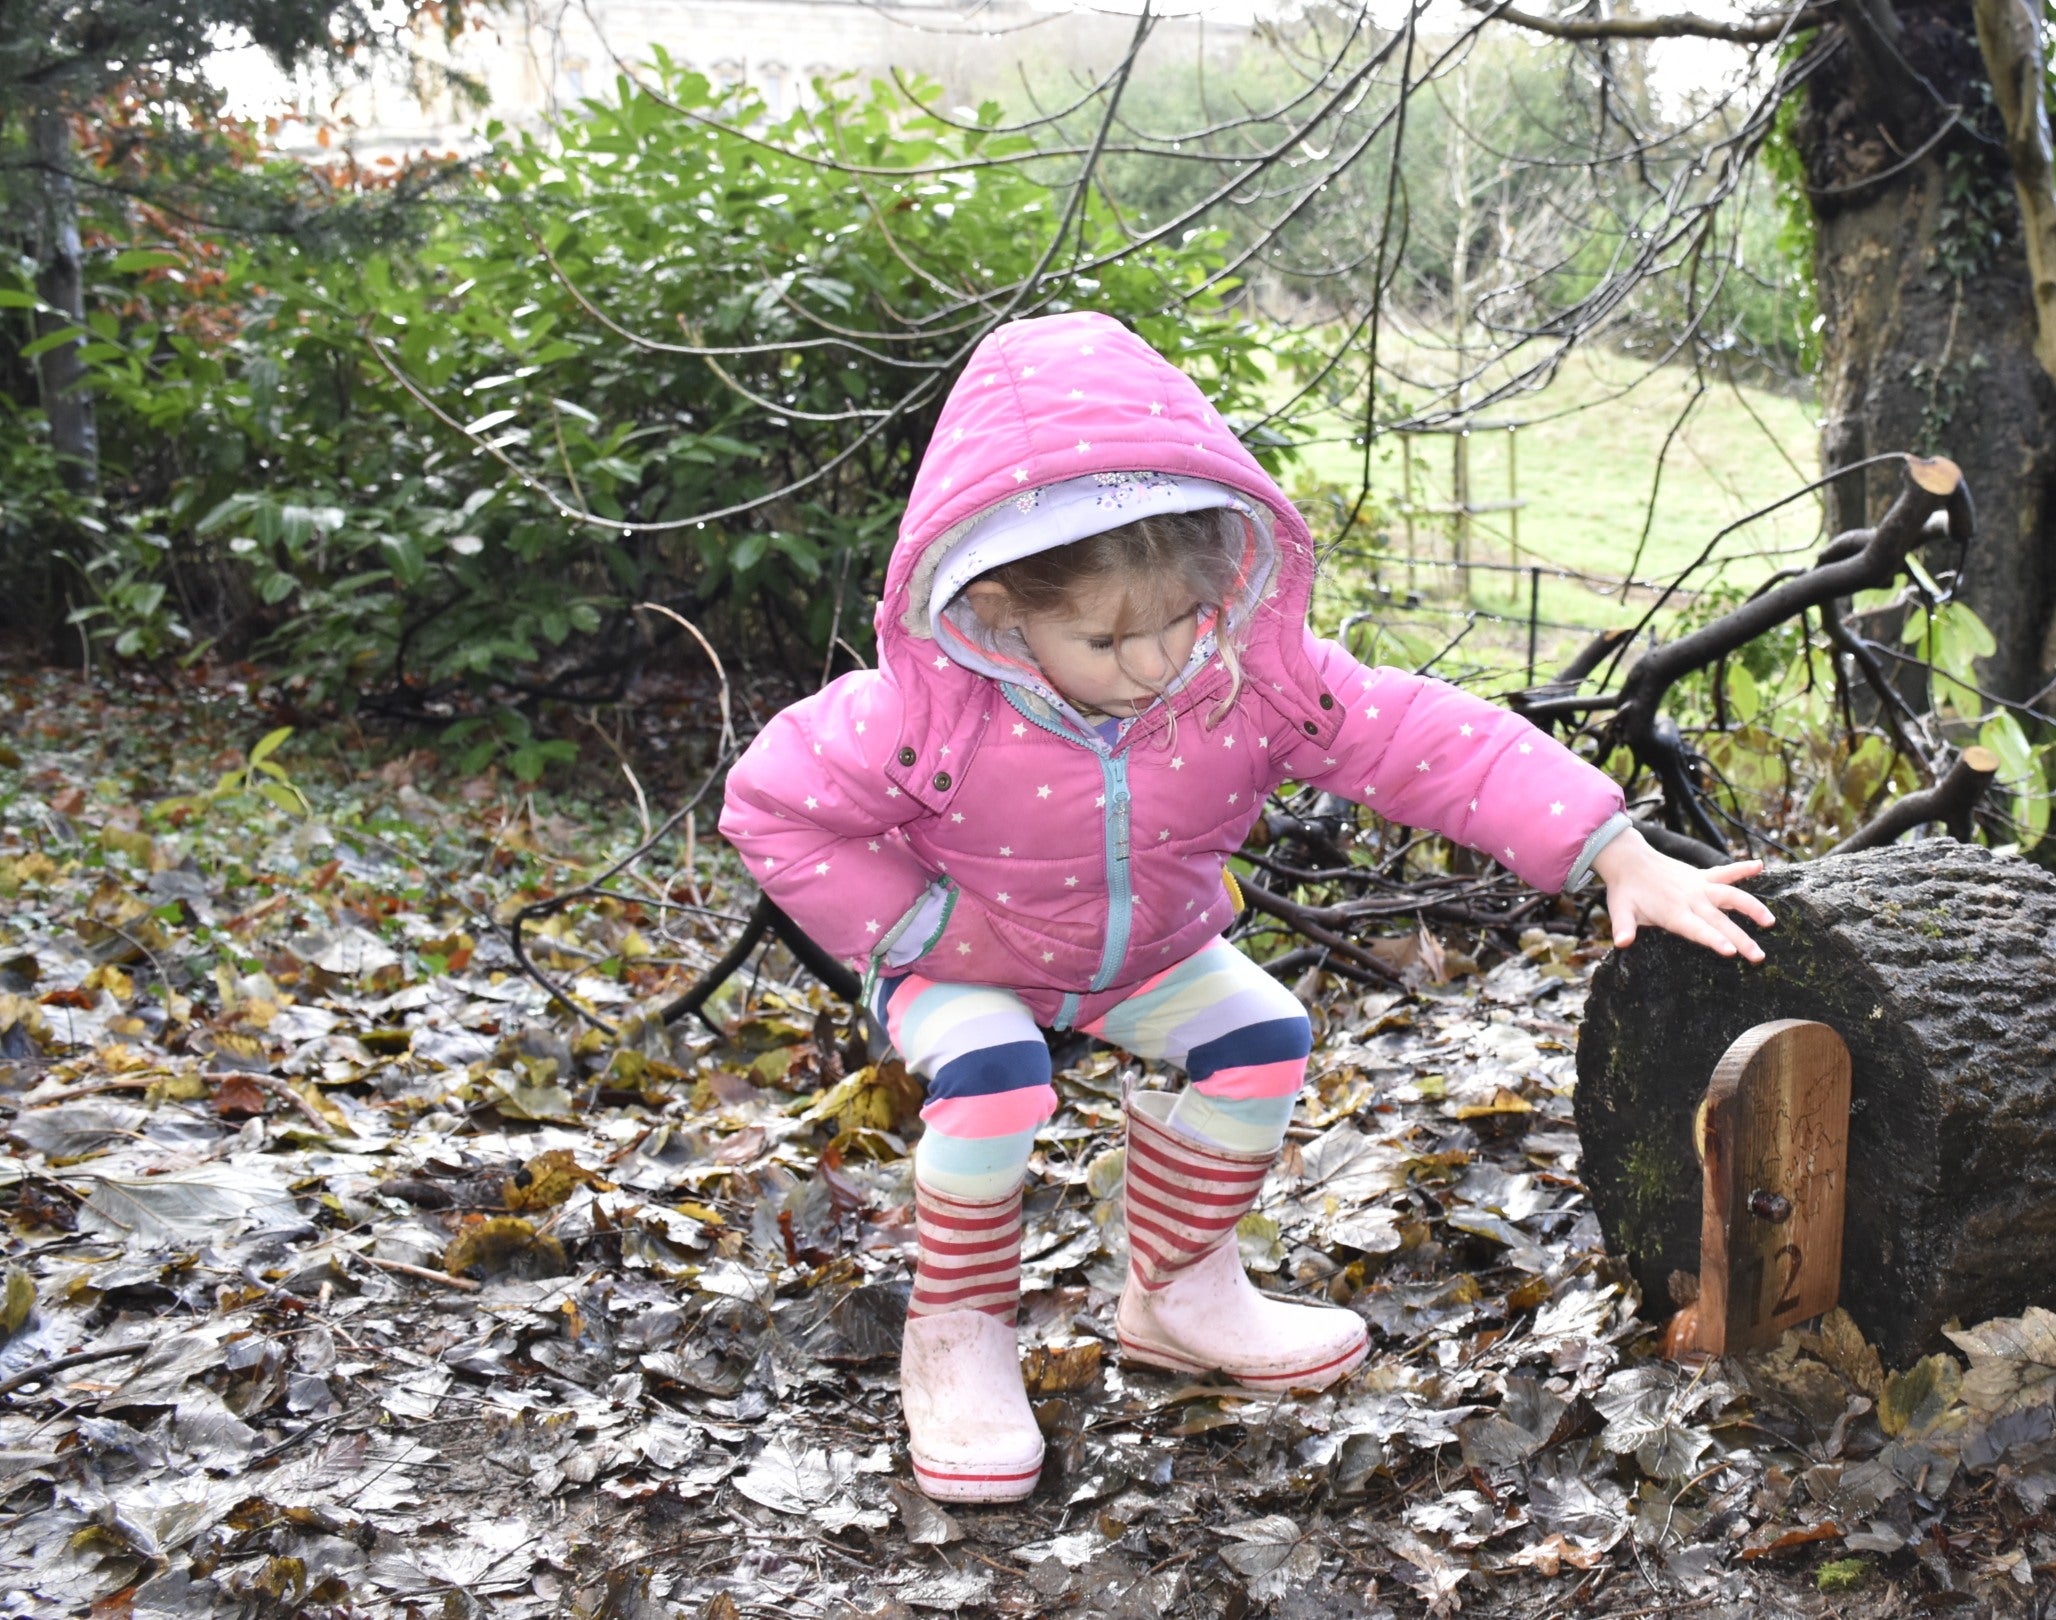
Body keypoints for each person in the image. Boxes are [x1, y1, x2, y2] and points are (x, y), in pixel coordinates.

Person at [719, 311, 1772, 1505]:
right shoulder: (930, 711)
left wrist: (1609, 846)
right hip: (962, 954)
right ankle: (957, 1333)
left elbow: (1428, 741)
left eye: (1178, 619)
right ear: (1003, 605)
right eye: (1107, 637)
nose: (1156, 661)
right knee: (999, 1073)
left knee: (1262, 1039)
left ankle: (1179, 1290)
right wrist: (918, 931)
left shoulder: (1248, 683)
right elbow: (771, 807)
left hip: (1145, 952)